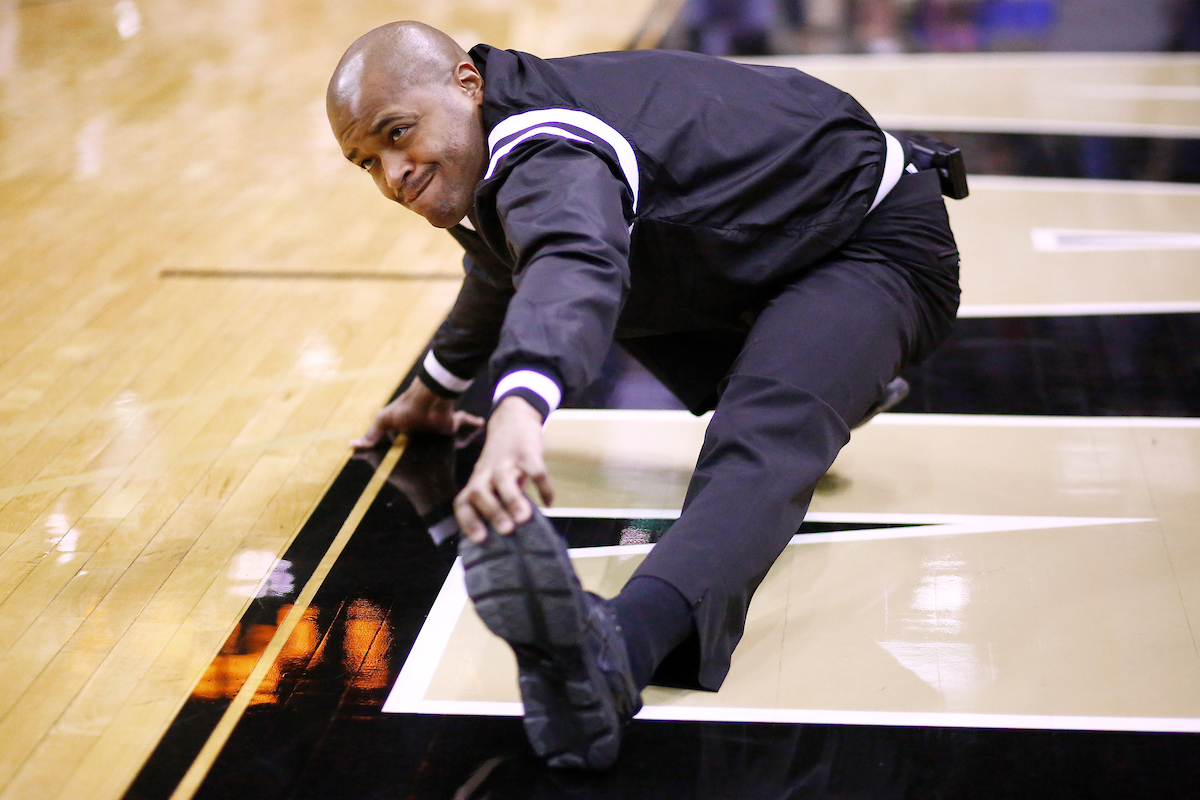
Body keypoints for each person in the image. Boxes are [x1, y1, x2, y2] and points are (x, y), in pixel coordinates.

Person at [327, 20, 961, 770]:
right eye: (366, 162)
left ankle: (615, 650)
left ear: (468, 83)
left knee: (760, 432)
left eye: (398, 134)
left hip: (871, 238)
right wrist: (437, 388)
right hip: (761, 244)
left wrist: (521, 405)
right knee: (597, 274)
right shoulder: (490, 139)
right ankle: (836, 369)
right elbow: (504, 266)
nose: (392, 175)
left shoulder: (543, 143)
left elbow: (570, 255)